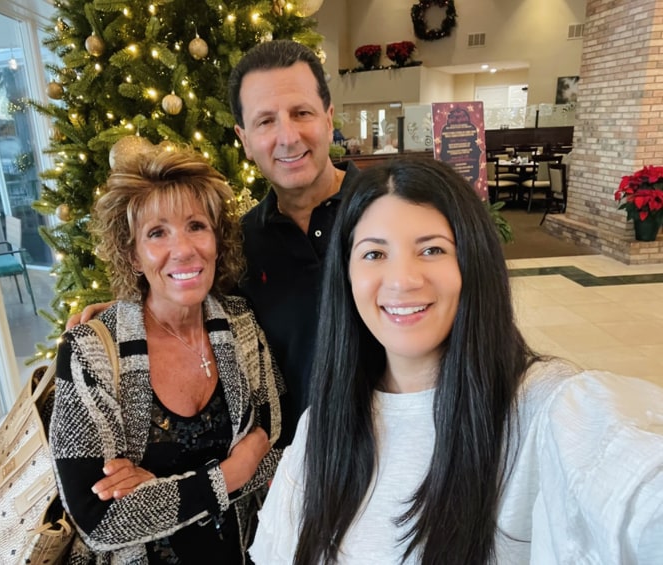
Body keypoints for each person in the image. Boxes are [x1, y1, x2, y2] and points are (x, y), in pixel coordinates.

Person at [249, 158, 663, 564]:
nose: (402, 280)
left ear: (473, 261)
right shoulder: (324, 422)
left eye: (431, 249)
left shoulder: (547, 409)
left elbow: (638, 492)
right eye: (374, 254)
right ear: (347, 274)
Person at [70, 39, 360, 445]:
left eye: (301, 113)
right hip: (302, 473)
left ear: (329, 118)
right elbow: (197, 302)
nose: (287, 136)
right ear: (243, 137)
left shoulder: (392, 211)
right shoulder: (241, 240)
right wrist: (132, 311)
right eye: (265, 121)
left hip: (410, 467)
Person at [49, 142, 284, 564]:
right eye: (157, 232)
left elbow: (277, 442)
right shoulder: (90, 352)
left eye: (196, 225)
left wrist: (155, 487)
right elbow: (99, 520)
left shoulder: (240, 322)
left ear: (216, 239)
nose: (184, 249)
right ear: (133, 254)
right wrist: (234, 470)